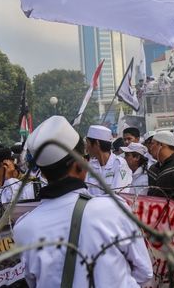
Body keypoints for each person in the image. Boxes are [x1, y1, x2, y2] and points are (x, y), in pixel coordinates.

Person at [14, 116, 153, 287]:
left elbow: (33, 281)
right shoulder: (114, 210)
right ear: (81, 164)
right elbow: (144, 272)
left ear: (42, 173)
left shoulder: (23, 228)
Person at [84, 125, 132, 196]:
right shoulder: (90, 165)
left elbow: (118, 195)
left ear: (97, 143)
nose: (86, 147)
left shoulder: (120, 164)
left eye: (87, 143)